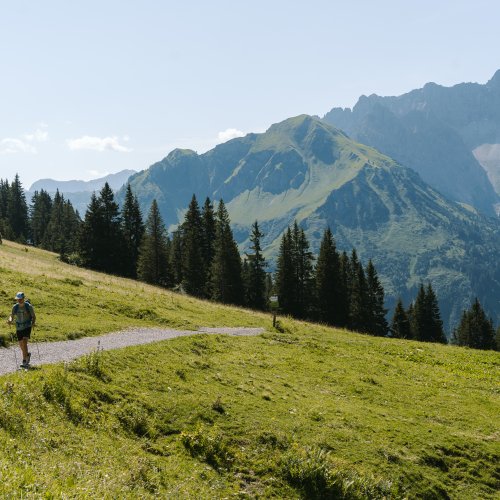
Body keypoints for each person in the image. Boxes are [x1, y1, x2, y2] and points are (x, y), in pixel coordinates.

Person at [8, 292, 36, 367]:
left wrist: (33, 323)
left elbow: (34, 316)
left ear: (23, 298)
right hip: (19, 327)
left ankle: (24, 361)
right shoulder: (15, 307)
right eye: (18, 299)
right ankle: (27, 354)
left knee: (24, 342)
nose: (19, 300)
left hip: (27, 326)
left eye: (20, 299)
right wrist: (10, 320)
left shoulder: (28, 306)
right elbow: (11, 315)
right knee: (21, 345)